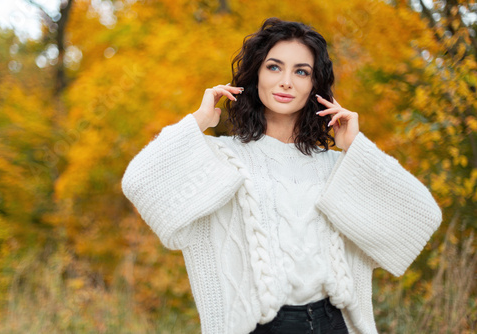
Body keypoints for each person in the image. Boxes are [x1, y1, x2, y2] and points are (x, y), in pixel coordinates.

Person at [121, 17, 442, 334]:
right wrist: (198, 120)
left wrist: (356, 147)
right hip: (259, 325)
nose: (286, 81)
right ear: (256, 75)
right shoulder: (222, 157)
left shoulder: (338, 165)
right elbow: (140, 181)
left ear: (314, 86)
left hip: (334, 322)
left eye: (301, 71)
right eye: (274, 67)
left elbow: (421, 216)